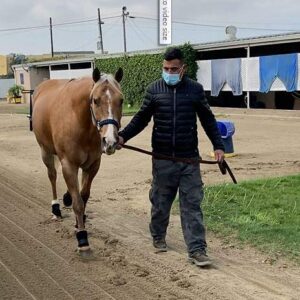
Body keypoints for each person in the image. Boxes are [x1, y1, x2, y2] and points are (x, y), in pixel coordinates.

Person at [118, 47, 225, 267]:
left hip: (189, 160)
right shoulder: (154, 90)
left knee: (192, 205)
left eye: (174, 69)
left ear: (183, 69)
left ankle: (197, 250)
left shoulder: (195, 90)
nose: (169, 72)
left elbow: (208, 120)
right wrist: (123, 137)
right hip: (162, 159)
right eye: (166, 68)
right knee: (160, 202)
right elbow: (141, 119)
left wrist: (218, 146)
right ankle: (158, 235)